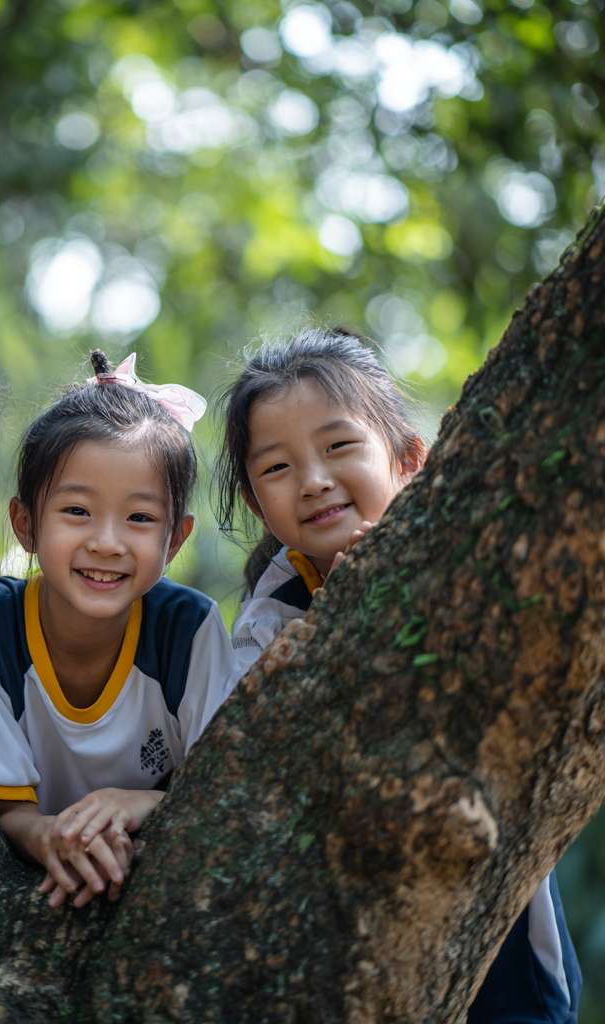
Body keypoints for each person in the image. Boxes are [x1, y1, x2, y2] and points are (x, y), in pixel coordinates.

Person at [216, 326, 581, 1023]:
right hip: (354, 932)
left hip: (490, 918)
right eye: (277, 468)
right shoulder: (272, 613)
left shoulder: (462, 561)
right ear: (258, 503)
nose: (314, 480)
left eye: (338, 447)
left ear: (408, 458)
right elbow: (252, 752)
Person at [0, 351, 237, 908]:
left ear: (175, 540)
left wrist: (134, 804)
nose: (107, 542)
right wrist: (48, 837)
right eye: (77, 511)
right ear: (25, 523)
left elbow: (228, 786)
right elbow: (5, 808)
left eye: (139, 518)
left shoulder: (188, 630)